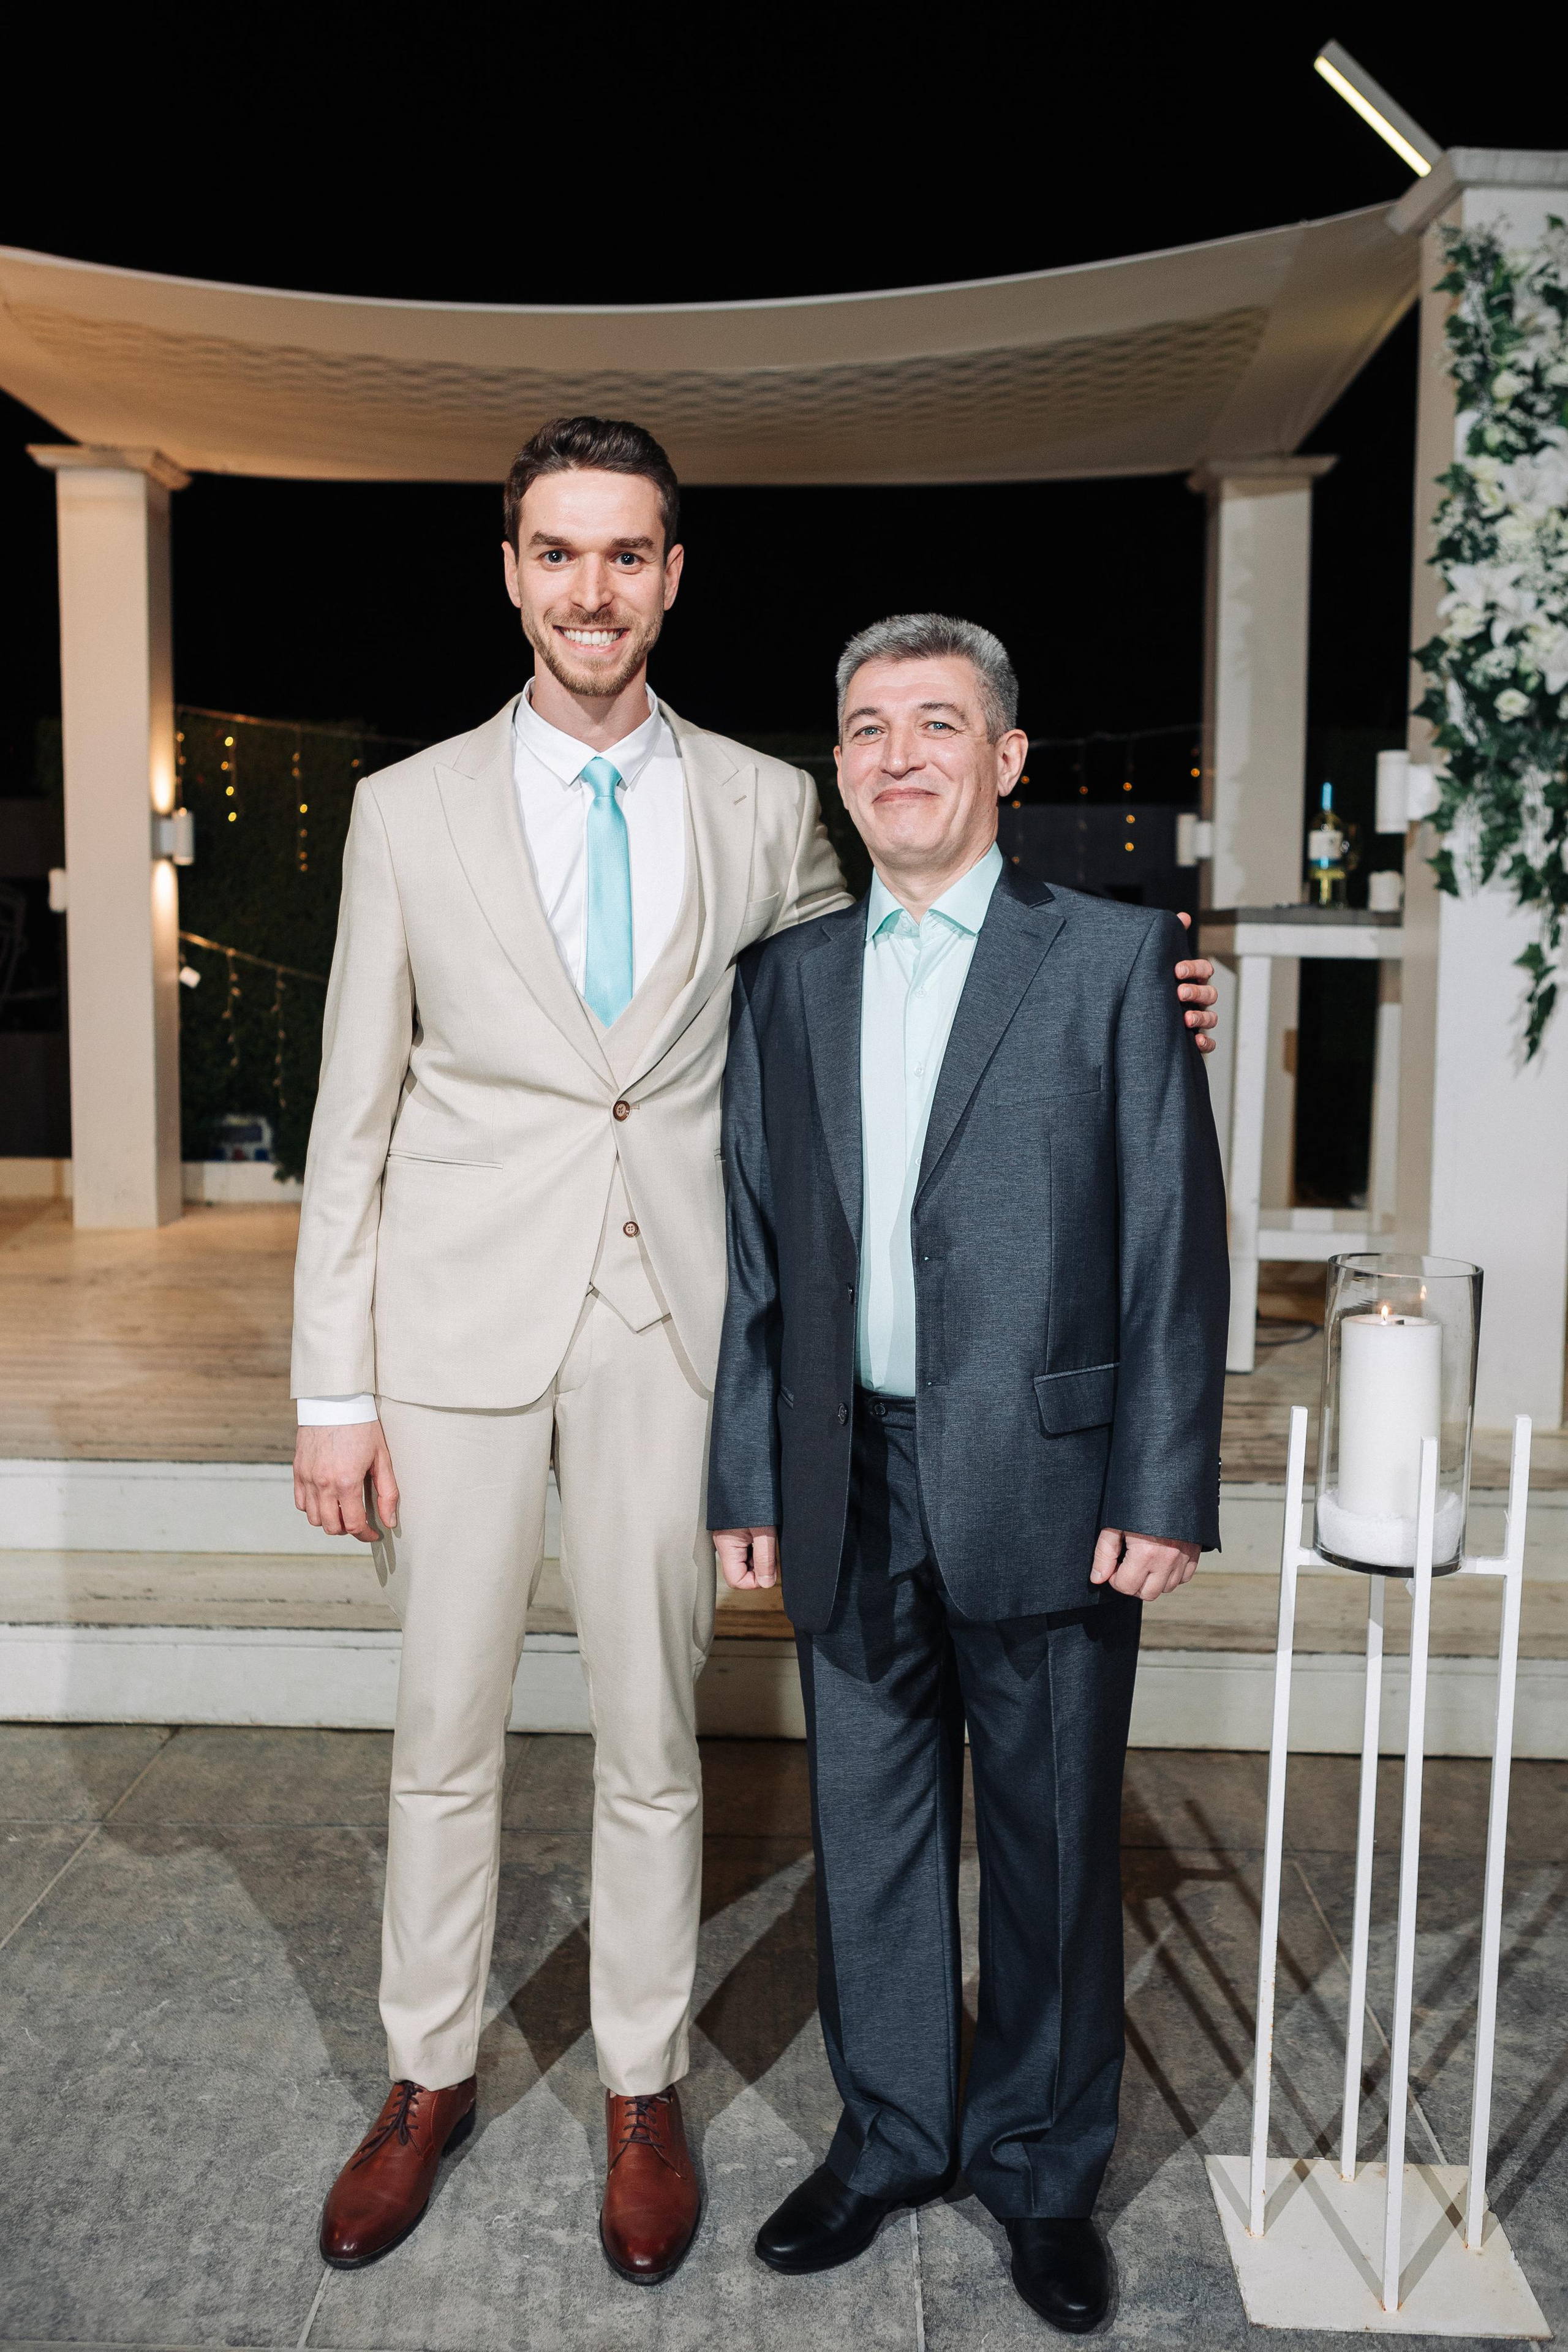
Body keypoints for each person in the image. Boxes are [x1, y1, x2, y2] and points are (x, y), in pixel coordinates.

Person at [291, 420, 1222, 2285]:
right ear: (511, 572)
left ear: (672, 577)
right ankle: (421, 2077)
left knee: (654, 1740)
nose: (591, 589)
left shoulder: (759, 801)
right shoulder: (408, 811)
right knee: (440, 1731)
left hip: (677, 1333)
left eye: (627, 554)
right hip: (460, 1329)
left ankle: (644, 2084)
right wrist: (335, 1384)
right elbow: (353, 1107)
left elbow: (886, 992)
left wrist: (1142, 989)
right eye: (558, 553)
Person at [708, 612, 1229, 2334]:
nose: (898, 753)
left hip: (1054, 1474)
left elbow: (1171, 1236)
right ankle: (893, 2134)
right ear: (839, 767)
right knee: (867, 1830)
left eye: (938, 722)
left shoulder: (1112, 958)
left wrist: (1164, 1477)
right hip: (847, 1468)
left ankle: (1037, 2168)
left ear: (1008, 758)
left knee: (1054, 1845)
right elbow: (766, 1257)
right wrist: (750, 1470)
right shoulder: (786, 981)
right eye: (866, 726)